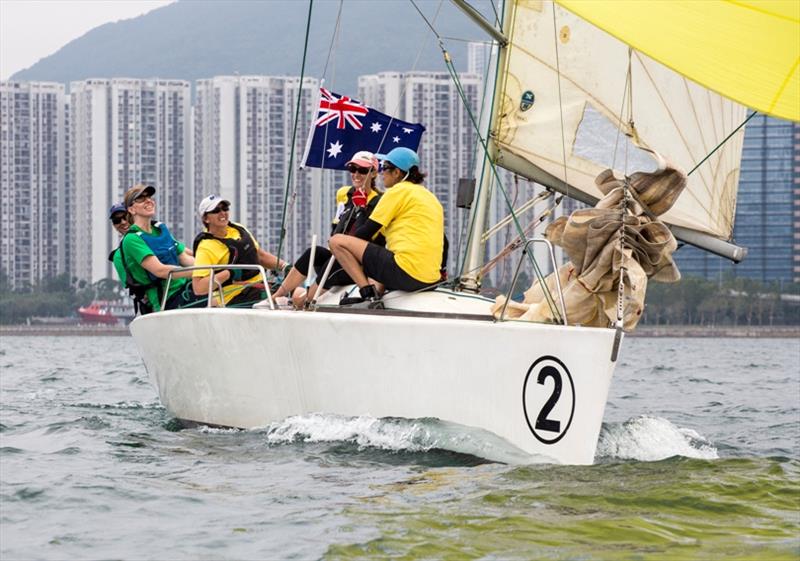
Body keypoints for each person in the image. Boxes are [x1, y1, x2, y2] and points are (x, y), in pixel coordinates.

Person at [329, 147, 445, 306]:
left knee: (337, 241)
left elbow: (364, 234)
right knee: (384, 252)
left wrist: (362, 210)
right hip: (431, 279)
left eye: (384, 168)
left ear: (397, 172)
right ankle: (376, 292)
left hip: (407, 274)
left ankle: (367, 294)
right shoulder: (429, 197)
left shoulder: (397, 191)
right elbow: (444, 242)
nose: (381, 173)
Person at [272, 150, 384, 308]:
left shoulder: (379, 202)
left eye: (363, 170)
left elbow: (367, 237)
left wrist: (362, 208)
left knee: (336, 263)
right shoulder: (344, 194)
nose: (356, 174)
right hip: (337, 256)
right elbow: (336, 227)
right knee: (315, 252)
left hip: (357, 264)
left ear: (373, 174)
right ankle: (275, 297)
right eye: (353, 169)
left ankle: (304, 299)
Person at [192, 194, 288, 307]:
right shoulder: (206, 247)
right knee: (282, 301)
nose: (222, 213)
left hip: (261, 285)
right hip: (234, 296)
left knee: (297, 292)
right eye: (216, 210)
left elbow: (259, 255)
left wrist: (285, 266)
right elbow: (198, 288)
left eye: (225, 208)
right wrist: (230, 273)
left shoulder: (238, 229)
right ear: (206, 218)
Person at [120, 184, 197, 312]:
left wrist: (215, 267)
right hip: (167, 299)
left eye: (149, 197)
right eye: (141, 199)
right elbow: (160, 270)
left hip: (186, 288)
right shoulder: (131, 239)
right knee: (217, 301)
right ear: (132, 210)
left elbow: (184, 258)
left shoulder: (161, 229)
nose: (148, 200)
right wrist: (203, 271)